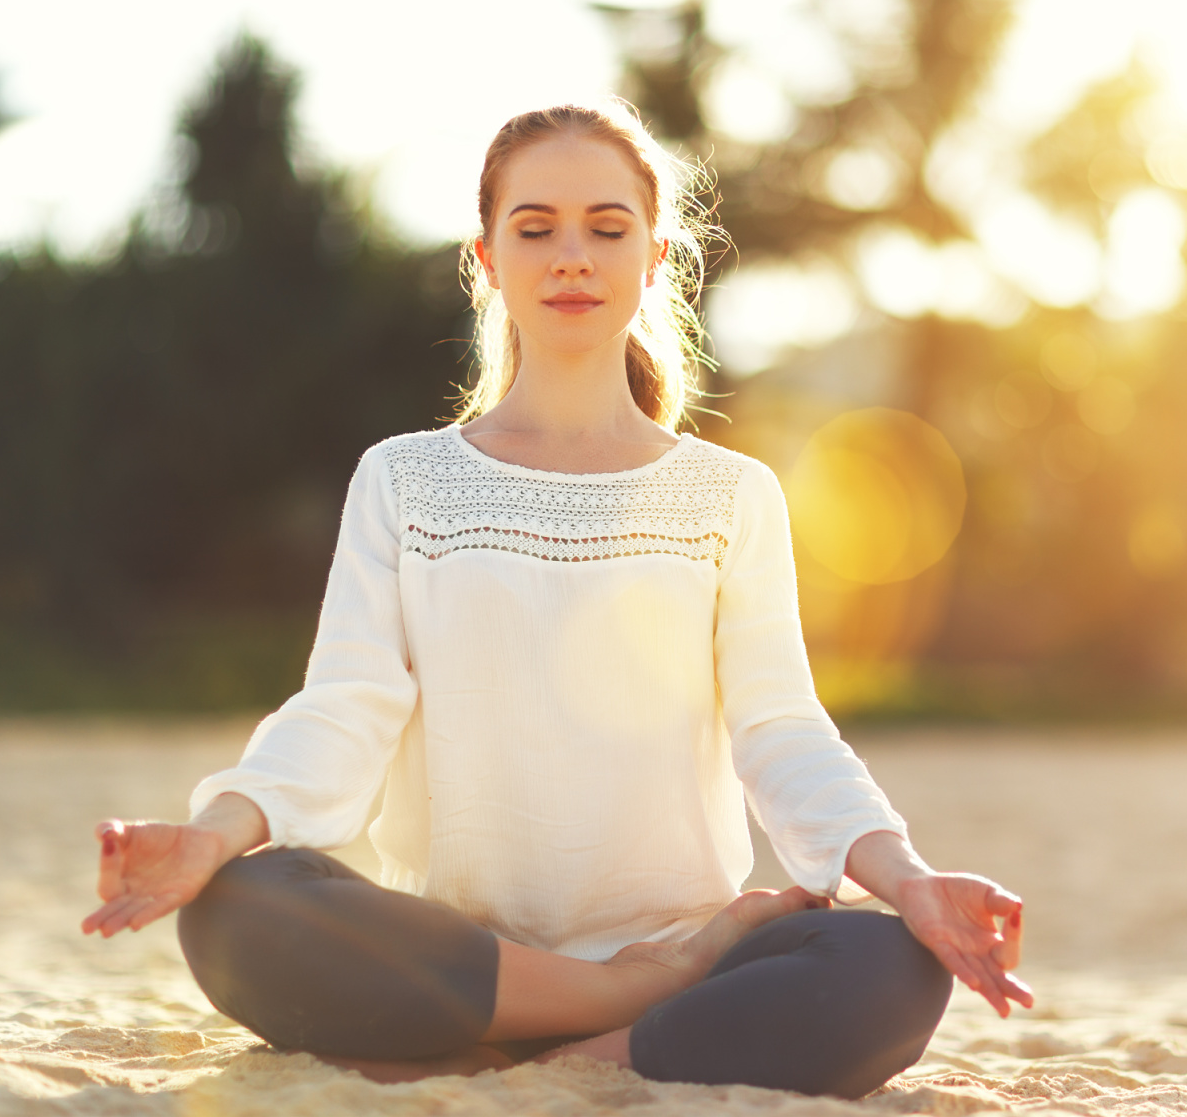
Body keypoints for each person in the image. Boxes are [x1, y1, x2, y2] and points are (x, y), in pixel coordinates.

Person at [82, 102, 1032, 1097]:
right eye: (535, 228)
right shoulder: (403, 481)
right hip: (463, 955)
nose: (571, 256)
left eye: (606, 229)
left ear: (655, 257)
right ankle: (623, 1004)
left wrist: (914, 883)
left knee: (891, 964)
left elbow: (781, 727)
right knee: (239, 905)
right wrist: (217, 832)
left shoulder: (730, 496)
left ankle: (536, 1043)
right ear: (487, 259)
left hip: (654, 943)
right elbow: (346, 705)